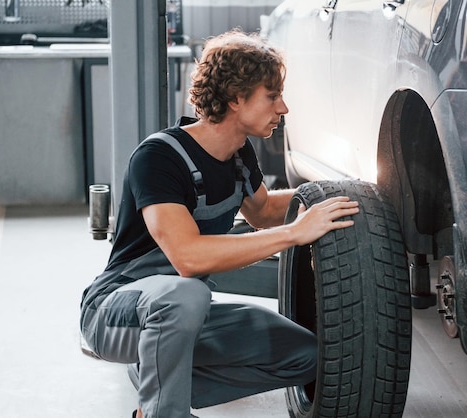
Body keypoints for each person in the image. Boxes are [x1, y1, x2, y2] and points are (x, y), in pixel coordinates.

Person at [79, 29, 359, 418]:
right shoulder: (159, 157)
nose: (284, 108)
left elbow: (261, 211)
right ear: (235, 97)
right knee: (187, 295)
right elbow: (188, 259)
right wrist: (295, 233)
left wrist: (336, 193)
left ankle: (158, 378)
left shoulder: (240, 155)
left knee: (305, 356)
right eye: (272, 95)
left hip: (182, 316)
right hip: (119, 310)